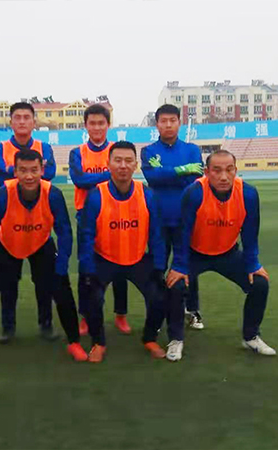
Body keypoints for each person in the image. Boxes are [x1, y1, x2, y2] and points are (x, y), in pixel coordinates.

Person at [0, 149, 87, 368]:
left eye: (34, 170)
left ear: (42, 170)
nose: (29, 176)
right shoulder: (3, 195)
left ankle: (74, 342)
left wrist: (61, 265)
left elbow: (64, 231)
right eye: (23, 170)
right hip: (7, 244)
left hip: (40, 243)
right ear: (15, 172)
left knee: (62, 290)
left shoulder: (53, 194)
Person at [78, 141, 185, 363]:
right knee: (92, 297)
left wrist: (158, 267)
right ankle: (99, 342)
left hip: (136, 259)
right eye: (117, 160)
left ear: (135, 165)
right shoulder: (96, 195)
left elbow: (156, 234)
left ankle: (149, 338)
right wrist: (88, 270)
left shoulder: (147, 194)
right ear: (108, 164)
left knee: (159, 296)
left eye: (128, 161)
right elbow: (86, 236)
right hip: (104, 258)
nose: (123, 165)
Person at [166, 150, 276, 357]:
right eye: (216, 171)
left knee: (260, 283)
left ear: (236, 170)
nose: (223, 176)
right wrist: (179, 265)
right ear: (207, 172)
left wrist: (253, 264)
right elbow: (183, 232)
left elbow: (250, 232)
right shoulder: (194, 193)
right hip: (195, 254)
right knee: (175, 285)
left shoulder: (248, 194)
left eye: (229, 170)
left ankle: (251, 337)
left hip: (227, 253)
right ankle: (176, 339)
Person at [0, 102, 57, 341]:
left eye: (26, 117)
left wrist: (14, 170)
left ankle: (46, 324)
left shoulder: (44, 147)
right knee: (8, 283)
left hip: (39, 224)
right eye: (17, 117)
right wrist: (31, 171)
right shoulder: (0, 148)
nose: (21, 121)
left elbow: (50, 173)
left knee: (44, 282)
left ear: (34, 122)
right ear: (10, 122)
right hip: (9, 225)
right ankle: (8, 328)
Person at [140, 104, 205, 330]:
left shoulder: (192, 149)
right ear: (157, 124)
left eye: (172, 120)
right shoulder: (149, 151)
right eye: (163, 121)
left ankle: (192, 310)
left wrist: (167, 171)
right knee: (157, 267)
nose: (168, 125)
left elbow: (195, 178)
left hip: (185, 219)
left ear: (179, 122)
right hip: (158, 219)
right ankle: (157, 315)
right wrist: (182, 169)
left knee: (187, 266)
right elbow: (153, 178)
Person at [69, 104, 130, 336]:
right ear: (85, 126)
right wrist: (110, 174)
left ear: (108, 125)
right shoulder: (78, 152)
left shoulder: (117, 150)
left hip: (117, 212)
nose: (96, 127)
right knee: (87, 266)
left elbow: (124, 177)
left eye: (101, 123)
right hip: (86, 215)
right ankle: (86, 316)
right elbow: (79, 180)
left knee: (122, 266)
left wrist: (98, 177)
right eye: (92, 123)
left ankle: (120, 314)